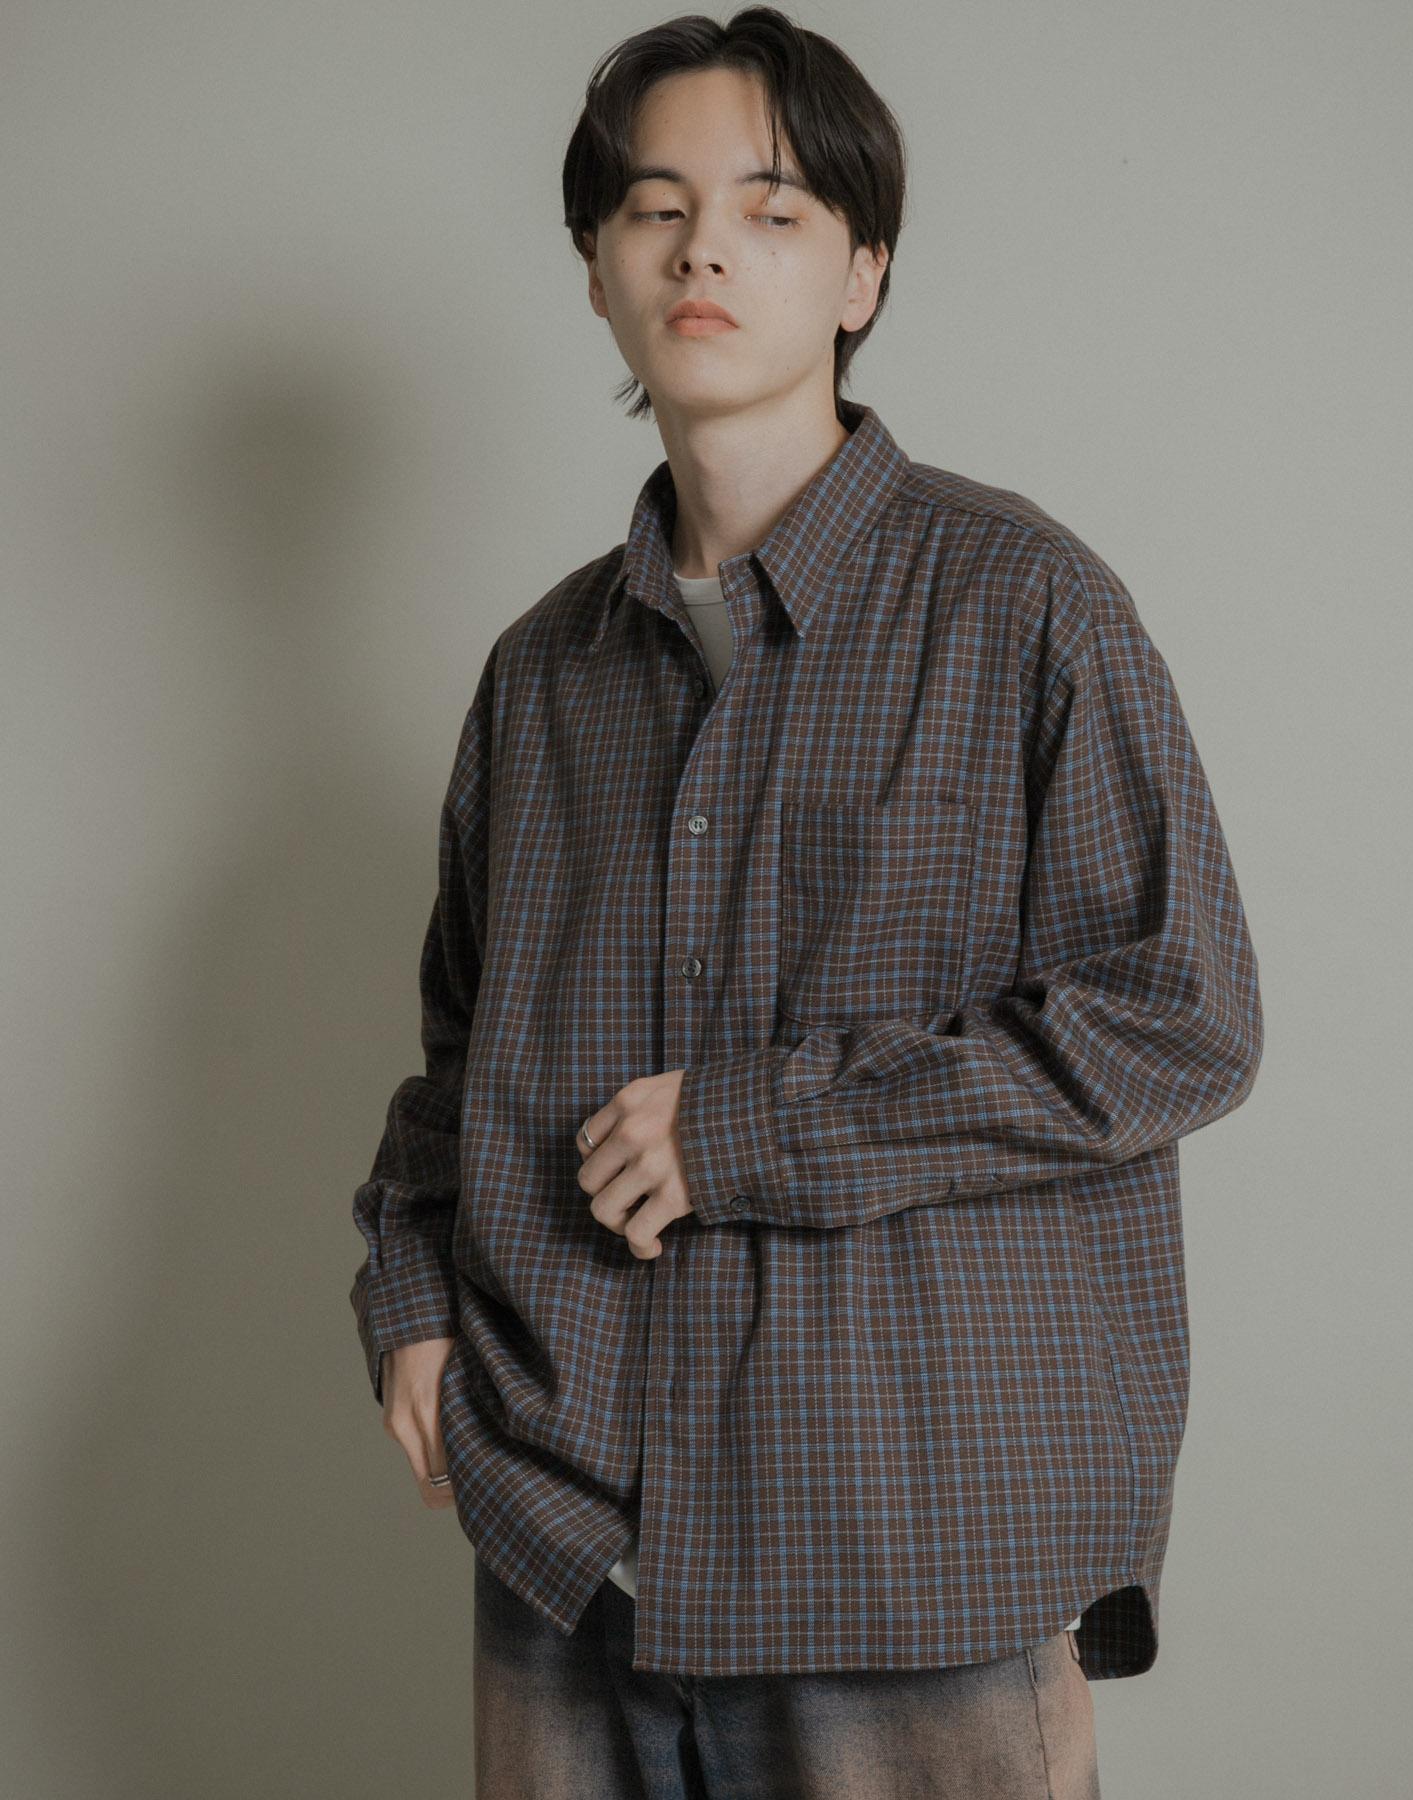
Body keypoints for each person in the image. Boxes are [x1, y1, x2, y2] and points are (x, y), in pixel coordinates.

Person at [349, 9, 1264, 1797]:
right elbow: (464, 1061)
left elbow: (1183, 1016)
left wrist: (750, 1127)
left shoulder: (1024, 607)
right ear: (598, 270)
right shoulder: (541, 676)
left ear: (863, 272)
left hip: (903, 1555)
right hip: (564, 1554)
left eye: (770, 210)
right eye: (656, 208)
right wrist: (408, 1297)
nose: (703, 249)